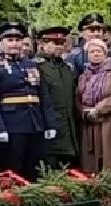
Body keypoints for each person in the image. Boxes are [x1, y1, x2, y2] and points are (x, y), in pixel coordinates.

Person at [0, 22, 60, 180]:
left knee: (35, 169)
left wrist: (50, 123)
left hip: (35, 124)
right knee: (13, 172)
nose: (14, 44)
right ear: (1, 43)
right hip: (12, 126)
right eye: (10, 40)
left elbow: (43, 96)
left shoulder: (32, 65)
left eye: (17, 40)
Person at [74, 36, 111, 206]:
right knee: (92, 164)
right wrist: (85, 111)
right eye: (92, 51)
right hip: (90, 124)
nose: (95, 54)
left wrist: (98, 109)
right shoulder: (84, 75)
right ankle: (98, 203)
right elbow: (77, 96)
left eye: (98, 51)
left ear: (105, 53)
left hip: (110, 123)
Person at [35, 26, 81, 171]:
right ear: (43, 44)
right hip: (48, 130)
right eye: (55, 43)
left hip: (69, 130)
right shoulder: (37, 67)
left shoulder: (67, 68)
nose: (59, 47)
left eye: (61, 43)